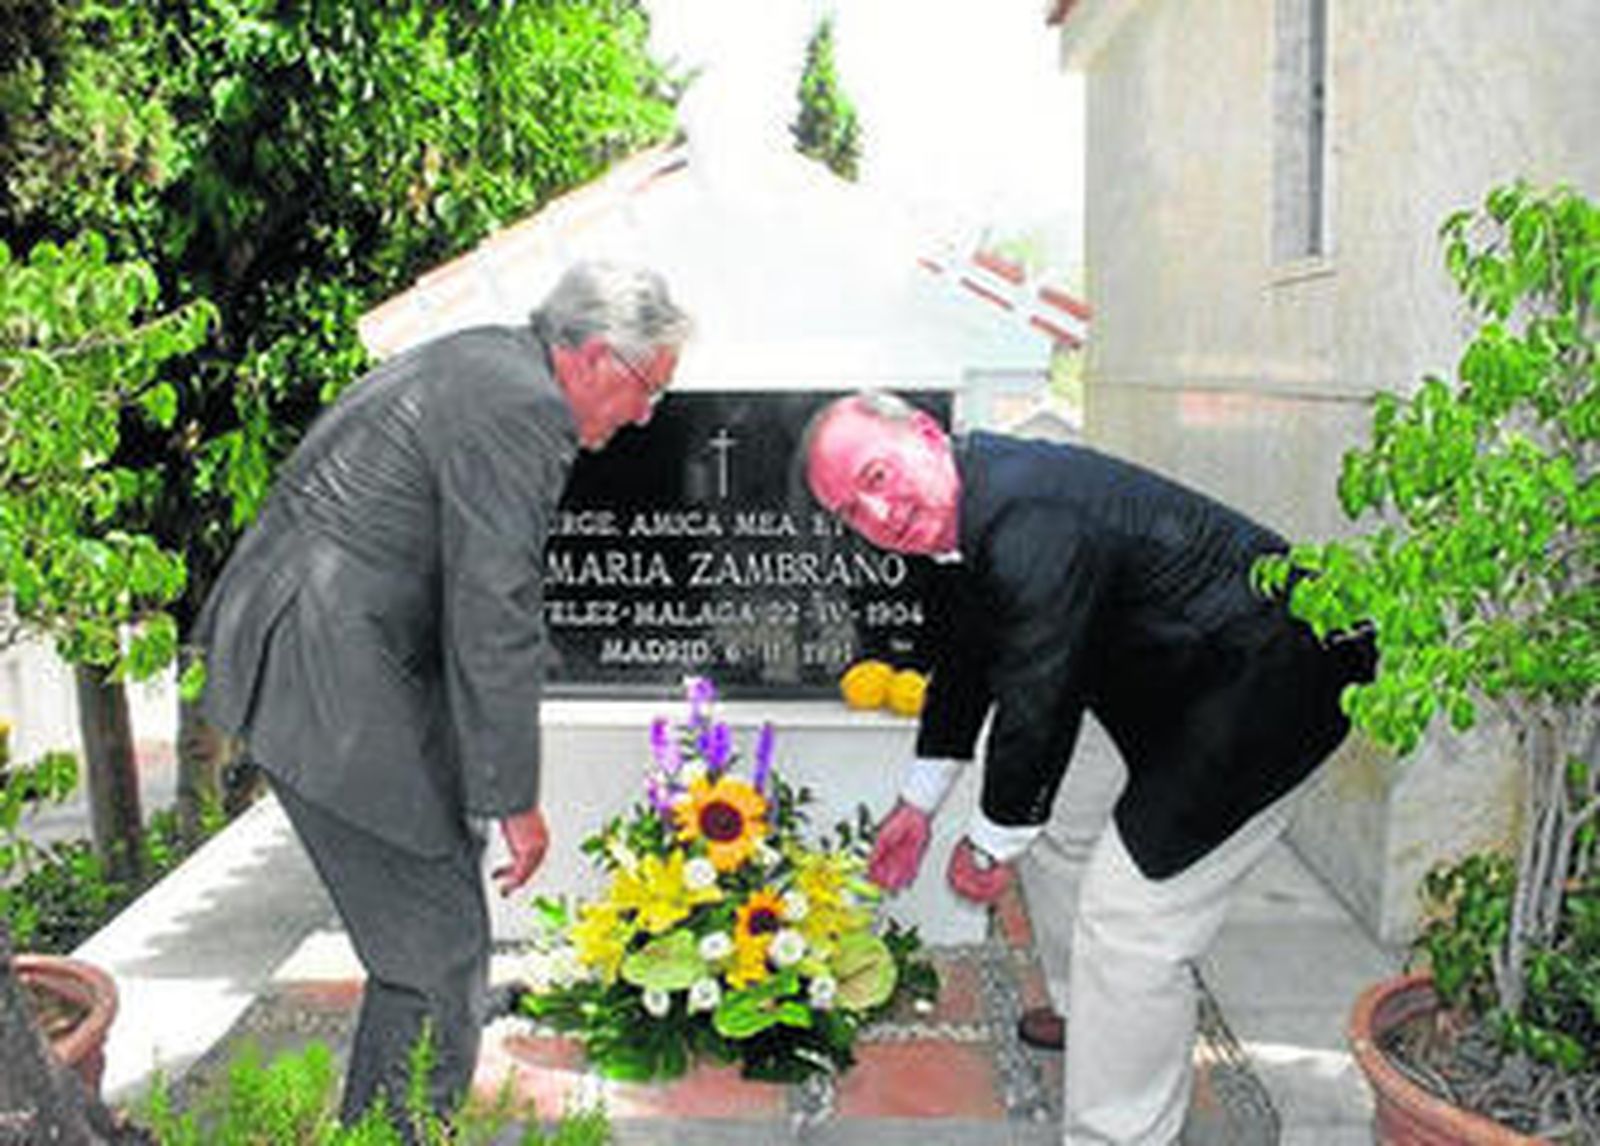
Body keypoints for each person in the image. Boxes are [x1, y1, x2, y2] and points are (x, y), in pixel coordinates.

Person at [193, 261, 692, 1133]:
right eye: (648, 389)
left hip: (322, 646)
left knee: (437, 924)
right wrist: (514, 799)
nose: (646, 414)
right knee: (436, 954)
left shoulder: (484, 360)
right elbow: (492, 608)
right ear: (596, 358)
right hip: (332, 669)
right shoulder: (525, 407)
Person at [801, 391, 1373, 1145]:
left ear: (928, 435)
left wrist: (988, 846)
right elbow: (970, 662)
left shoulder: (1026, 513)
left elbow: (1039, 696)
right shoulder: (961, 513)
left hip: (1272, 678)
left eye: (876, 475)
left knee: (1132, 924)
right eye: (849, 510)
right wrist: (919, 803)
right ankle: (1088, 1014)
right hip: (1176, 660)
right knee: (1064, 818)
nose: (876, 514)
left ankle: (1120, 1132)